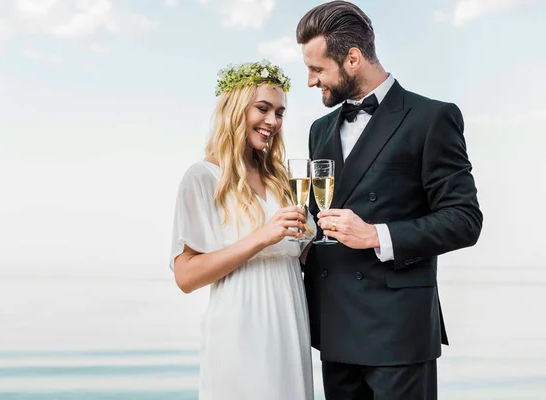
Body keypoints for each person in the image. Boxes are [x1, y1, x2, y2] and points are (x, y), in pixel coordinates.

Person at [296, 1, 483, 399]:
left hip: (398, 331)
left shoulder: (432, 118)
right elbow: (318, 217)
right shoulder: (319, 129)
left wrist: (376, 235)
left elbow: (465, 219)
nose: (310, 81)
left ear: (352, 58)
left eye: (317, 69)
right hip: (333, 327)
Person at [169, 60, 315, 400]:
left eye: (280, 113)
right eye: (262, 109)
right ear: (235, 111)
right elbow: (185, 276)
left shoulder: (281, 180)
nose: (272, 122)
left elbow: (301, 254)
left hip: (290, 324)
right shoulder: (203, 177)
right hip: (240, 328)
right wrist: (263, 236)